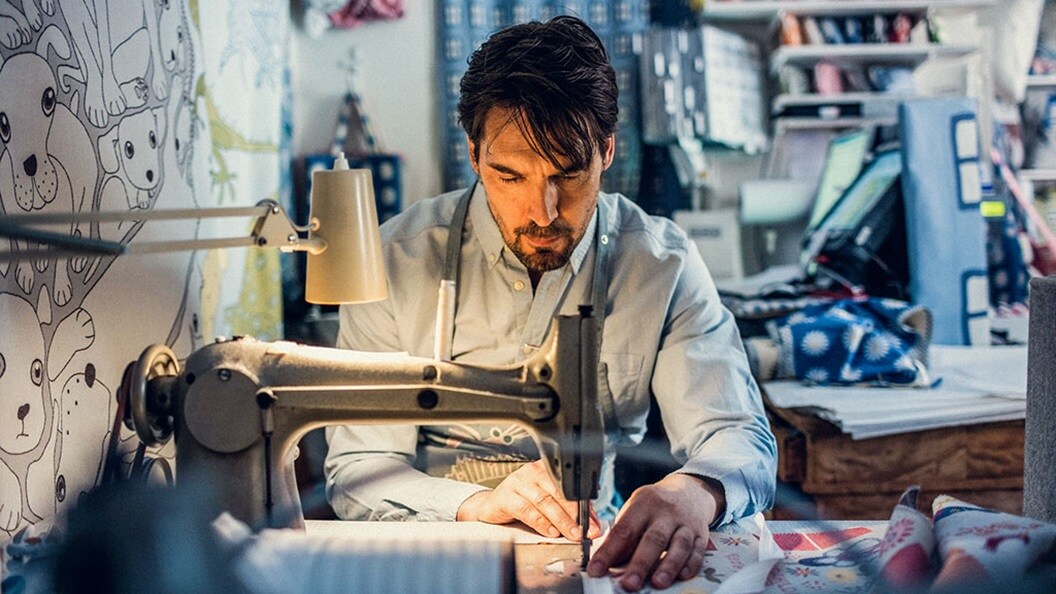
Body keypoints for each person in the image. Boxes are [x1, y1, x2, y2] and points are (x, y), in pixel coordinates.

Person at [324, 15, 776, 592]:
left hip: (593, 542)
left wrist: (696, 490)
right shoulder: (394, 260)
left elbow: (738, 436)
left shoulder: (661, 267)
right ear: (473, 154)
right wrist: (475, 503)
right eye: (509, 175)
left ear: (607, 150)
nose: (541, 212)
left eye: (568, 174)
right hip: (430, 552)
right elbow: (358, 470)